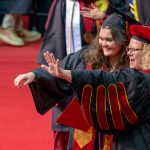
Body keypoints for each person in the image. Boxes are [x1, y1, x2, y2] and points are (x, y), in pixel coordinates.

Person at [14, 3, 138, 148]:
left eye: (109, 40)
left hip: (119, 128)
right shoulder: (88, 57)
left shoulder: (133, 63)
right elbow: (63, 68)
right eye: (101, 39)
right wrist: (34, 75)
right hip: (88, 125)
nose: (104, 44)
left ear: (123, 41)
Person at [40, 23, 150, 150]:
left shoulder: (139, 79)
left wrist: (67, 74)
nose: (129, 53)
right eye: (129, 49)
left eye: (134, 50)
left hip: (136, 142)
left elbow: (105, 80)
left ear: (147, 52)